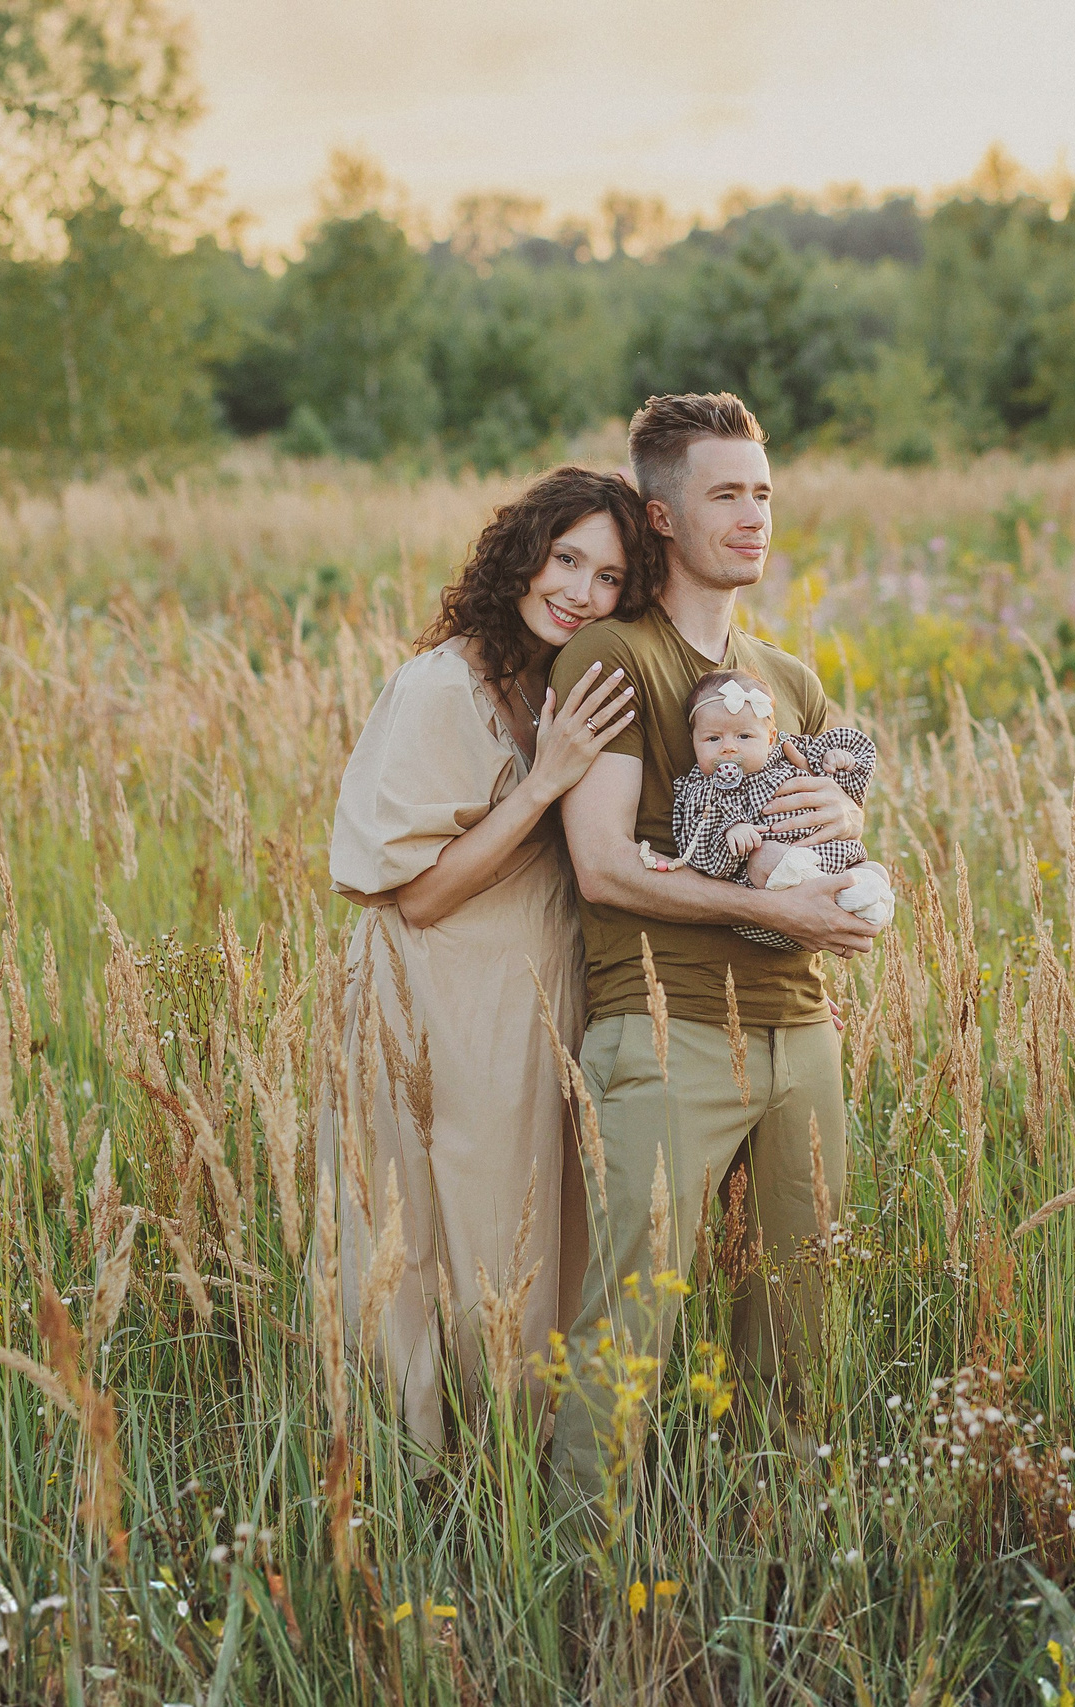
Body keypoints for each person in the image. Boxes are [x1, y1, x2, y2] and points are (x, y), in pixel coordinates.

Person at [547, 393, 883, 1500]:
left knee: (801, 1329)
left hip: (802, 1033)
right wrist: (783, 912)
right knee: (627, 1333)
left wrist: (844, 842)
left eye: (764, 492)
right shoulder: (611, 653)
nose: (754, 516)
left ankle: (780, 1577)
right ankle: (587, 1605)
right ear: (659, 517)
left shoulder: (788, 679)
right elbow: (600, 865)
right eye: (725, 495)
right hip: (663, 1029)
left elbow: (822, 836)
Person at [316, 465, 652, 1451]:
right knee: (435, 1221)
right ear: (523, 556)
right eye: (567, 560)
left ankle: (526, 1447)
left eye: (608, 579)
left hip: (535, 999)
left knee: (533, 1219)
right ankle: (422, 1455)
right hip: (438, 994)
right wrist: (544, 780)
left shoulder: (569, 683)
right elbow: (417, 894)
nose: (581, 593)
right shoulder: (439, 686)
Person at [656, 667, 895, 952]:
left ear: (770, 739)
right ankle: (828, 897)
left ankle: (858, 898)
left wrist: (841, 761)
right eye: (713, 739)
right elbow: (699, 848)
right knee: (764, 855)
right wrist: (732, 831)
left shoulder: (792, 754)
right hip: (776, 900)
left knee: (876, 870)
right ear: (694, 742)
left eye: (744, 736)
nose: (728, 748)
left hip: (834, 860)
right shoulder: (705, 789)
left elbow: (842, 788)